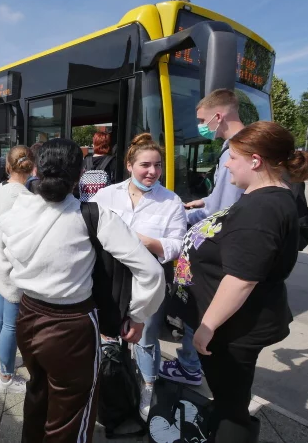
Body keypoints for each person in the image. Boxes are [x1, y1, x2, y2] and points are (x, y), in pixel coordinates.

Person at [0, 138, 165, 442]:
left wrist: (17, 295)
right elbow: (150, 271)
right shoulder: (95, 216)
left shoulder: (15, 211)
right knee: (73, 410)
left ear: (36, 169)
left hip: (28, 318)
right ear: (80, 174)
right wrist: (138, 315)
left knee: (38, 393)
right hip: (72, 327)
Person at [176, 121, 308, 442]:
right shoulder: (263, 198)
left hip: (233, 330)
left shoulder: (261, 208)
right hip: (235, 325)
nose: (226, 164)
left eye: (233, 158)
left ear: (255, 161)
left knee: (231, 410)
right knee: (229, 399)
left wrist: (207, 327)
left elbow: (241, 279)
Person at [90, 133, 195, 421]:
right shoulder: (106, 194)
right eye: (145, 165)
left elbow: (176, 245)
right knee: (107, 334)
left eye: (157, 165)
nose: (152, 172)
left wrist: (139, 241)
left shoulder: (170, 201)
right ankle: (108, 383)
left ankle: (148, 387)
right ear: (129, 165)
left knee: (146, 337)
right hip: (109, 279)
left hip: (147, 283)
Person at [0, 145, 35, 394]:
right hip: (12, 268)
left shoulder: (0, 189)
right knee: (11, 324)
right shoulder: (25, 198)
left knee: (0, 315)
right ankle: (6, 377)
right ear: (32, 167)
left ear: (8, 165)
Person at [184, 89, 247, 225]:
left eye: (202, 120)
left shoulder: (235, 152)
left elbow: (222, 211)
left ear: (218, 117)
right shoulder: (248, 143)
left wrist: (184, 216)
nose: (200, 126)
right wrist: (205, 201)